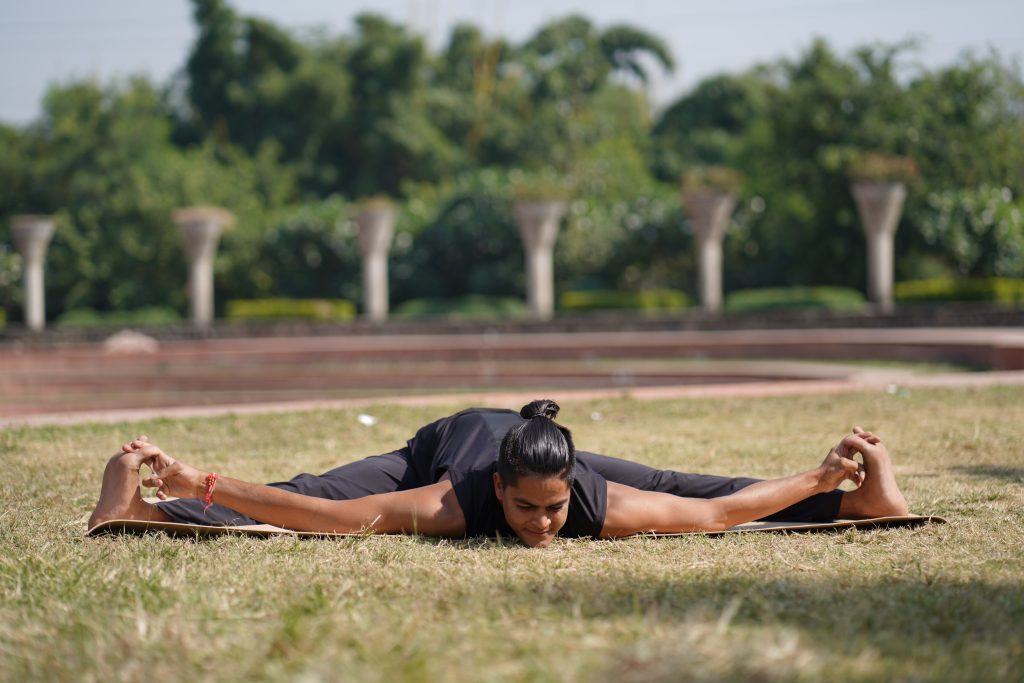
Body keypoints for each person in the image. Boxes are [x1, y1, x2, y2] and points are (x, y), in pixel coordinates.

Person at [88, 400, 909, 548]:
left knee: (688, 487)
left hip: (542, 444)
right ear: (497, 492)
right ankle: (133, 491)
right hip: (442, 441)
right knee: (316, 493)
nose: (542, 525)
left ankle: (862, 494)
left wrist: (816, 476)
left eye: (554, 512)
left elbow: (723, 517)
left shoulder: (590, 499)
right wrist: (199, 481)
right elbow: (326, 523)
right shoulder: (451, 502)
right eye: (526, 509)